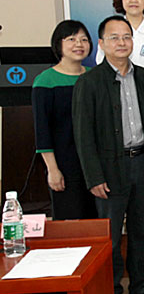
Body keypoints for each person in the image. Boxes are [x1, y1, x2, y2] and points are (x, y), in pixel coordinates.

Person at [73, 15, 144, 294]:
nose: (122, 42)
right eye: (114, 37)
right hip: (109, 169)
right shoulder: (89, 82)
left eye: (126, 37)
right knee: (110, 238)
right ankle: (110, 291)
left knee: (141, 231)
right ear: (101, 43)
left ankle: (140, 285)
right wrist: (93, 176)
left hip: (141, 163)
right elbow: (83, 134)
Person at [32, 20, 97, 220]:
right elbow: (42, 130)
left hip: (95, 164)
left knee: (97, 222)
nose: (79, 44)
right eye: (71, 39)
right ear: (58, 44)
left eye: (84, 39)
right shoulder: (46, 81)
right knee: (70, 222)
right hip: (65, 164)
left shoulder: (94, 77)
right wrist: (52, 169)